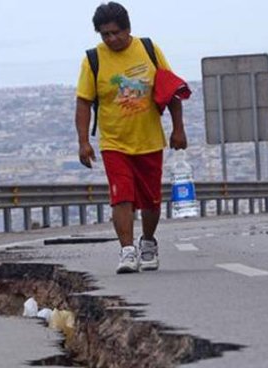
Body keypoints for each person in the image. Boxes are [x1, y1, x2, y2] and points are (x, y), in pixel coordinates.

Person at [75, 2, 187, 273]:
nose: (112, 39)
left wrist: (178, 128)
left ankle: (147, 242)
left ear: (128, 29)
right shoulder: (94, 59)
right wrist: (83, 141)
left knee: (151, 200)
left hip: (148, 140)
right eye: (105, 35)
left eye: (116, 33)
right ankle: (126, 250)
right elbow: (83, 102)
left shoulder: (148, 49)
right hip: (114, 142)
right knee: (121, 195)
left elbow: (170, 89)